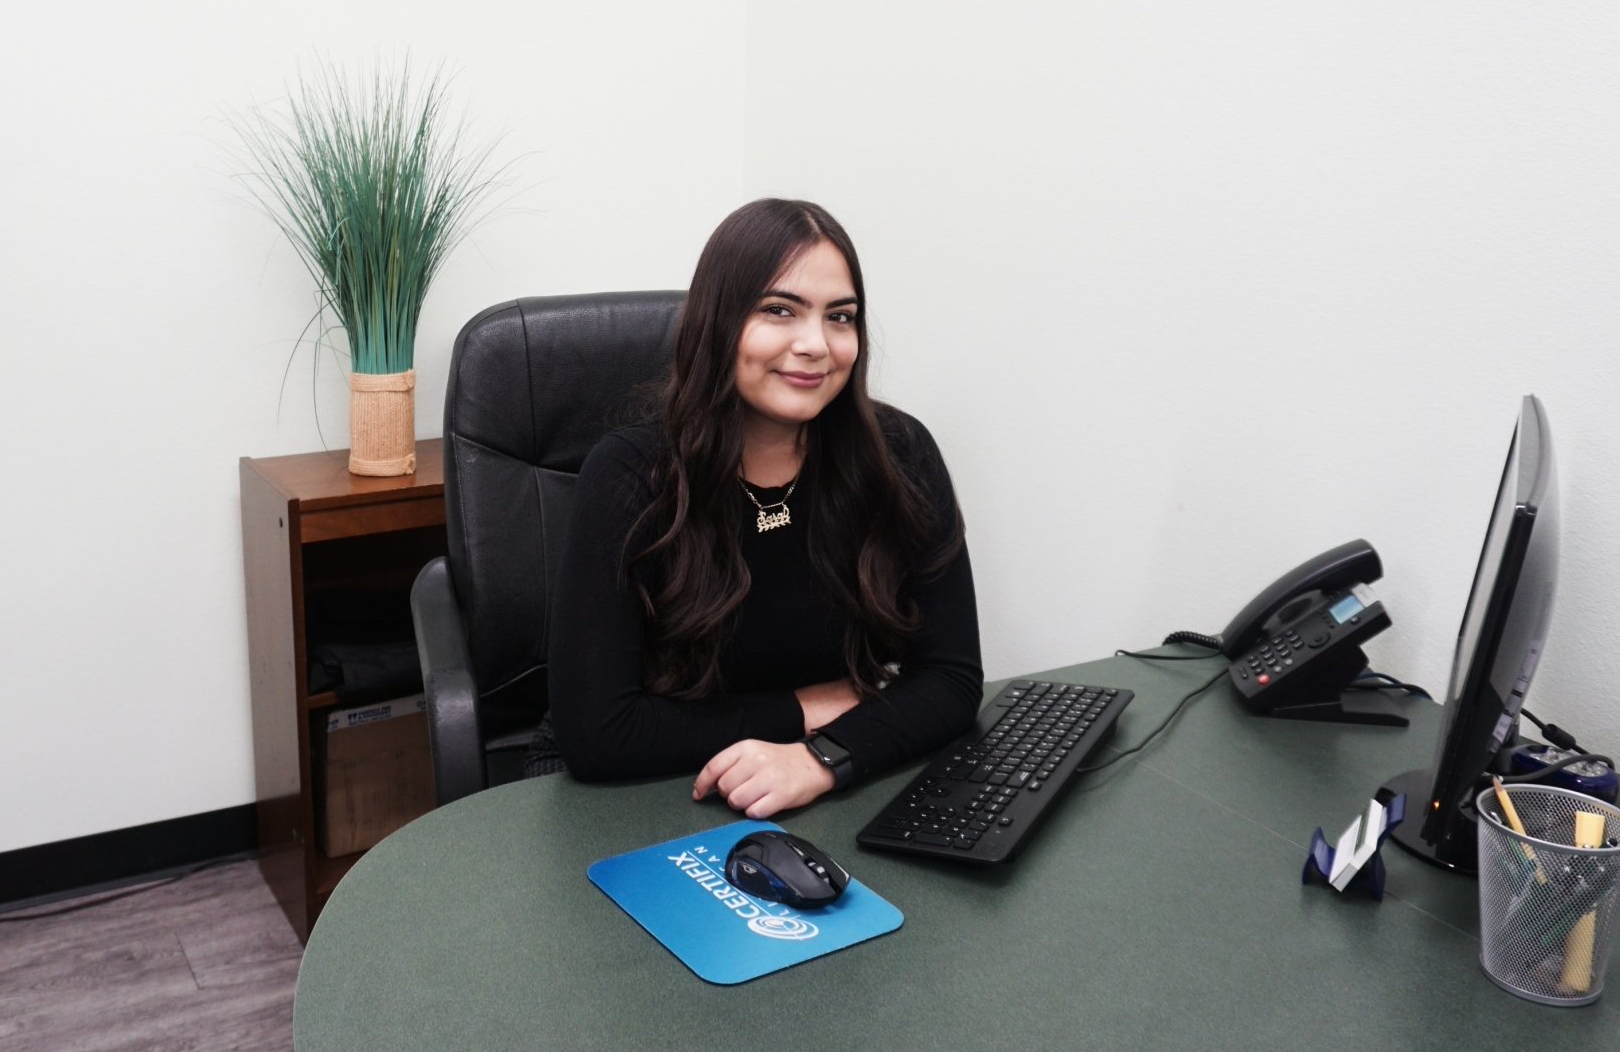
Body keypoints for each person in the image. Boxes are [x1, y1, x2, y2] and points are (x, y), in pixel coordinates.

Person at [547, 198, 982, 818]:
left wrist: (821, 759)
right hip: (638, 787)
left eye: (841, 317)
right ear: (719, 322)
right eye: (779, 310)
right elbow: (598, 735)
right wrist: (804, 712)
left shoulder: (900, 455)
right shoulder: (631, 475)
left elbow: (952, 681)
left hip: (810, 787)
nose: (815, 345)